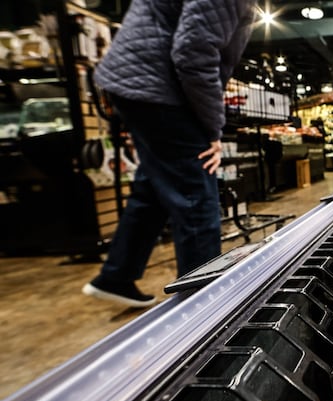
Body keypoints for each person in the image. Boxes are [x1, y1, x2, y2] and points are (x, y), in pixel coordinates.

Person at [82, 0, 258, 307]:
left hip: (138, 81)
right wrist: (212, 130)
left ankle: (117, 275)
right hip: (160, 87)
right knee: (195, 196)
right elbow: (193, 54)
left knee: (154, 186)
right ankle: (201, 307)